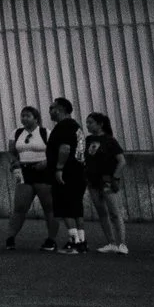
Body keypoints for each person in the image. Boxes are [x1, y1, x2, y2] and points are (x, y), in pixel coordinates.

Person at [4, 106, 53, 250]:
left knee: (49, 207)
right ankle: (10, 237)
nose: (24, 119)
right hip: (24, 171)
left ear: (36, 118)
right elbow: (11, 152)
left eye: (28, 116)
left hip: (42, 171)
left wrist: (46, 162)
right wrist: (14, 162)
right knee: (19, 207)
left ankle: (51, 239)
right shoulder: (17, 133)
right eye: (22, 116)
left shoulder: (45, 133)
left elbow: (52, 153)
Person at [46, 98, 88, 254]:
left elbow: (64, 148)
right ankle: (82, 241)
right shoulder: (75, 126)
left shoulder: (63, 126)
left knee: (65, 206)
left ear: (60, 109)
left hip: (67, 172)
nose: (50, 111)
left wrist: (59, 169)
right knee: (76, 206)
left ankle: (74, 242)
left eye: (52, 108)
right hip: (78, 171)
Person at [83, 112, 127, 255]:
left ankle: (122, 243)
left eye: (90, 122)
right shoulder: (88, 139)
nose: (88, 125)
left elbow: (121, 161)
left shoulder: (110, 140)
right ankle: (111, 242)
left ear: (100, 124)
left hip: (107, 180)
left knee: (114, 212)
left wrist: (115, 178)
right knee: (102, 212)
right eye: (87, 122)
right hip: (92, 181)